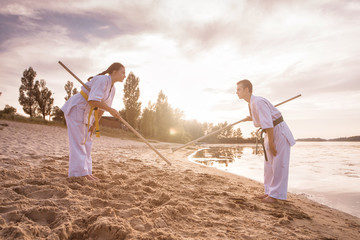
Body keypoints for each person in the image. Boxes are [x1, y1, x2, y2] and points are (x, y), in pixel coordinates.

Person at [61, 62, 125, 180]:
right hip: (77, 108)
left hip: (88, 113)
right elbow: (93, 100)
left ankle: (87, 171)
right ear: (114, 72)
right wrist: (110, 110)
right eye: (123, 73)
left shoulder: (113, 88)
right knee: (79, 141)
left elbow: (101, 108)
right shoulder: (102, 80)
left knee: (88, 141)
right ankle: (79, 173)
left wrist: (95, 125)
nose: (124, 76)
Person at [236, 79, 295, 203]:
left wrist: (272, 143)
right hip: (270, 132)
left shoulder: (258, 102)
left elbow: (268, 123)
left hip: (277, 131)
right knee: (269, 164)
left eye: (239, 89)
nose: (236, 92)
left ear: (247, 90)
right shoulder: (251, 103)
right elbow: (259, 119)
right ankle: (269, 191)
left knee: (279, 164)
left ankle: (275, 196)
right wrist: (250, 118)